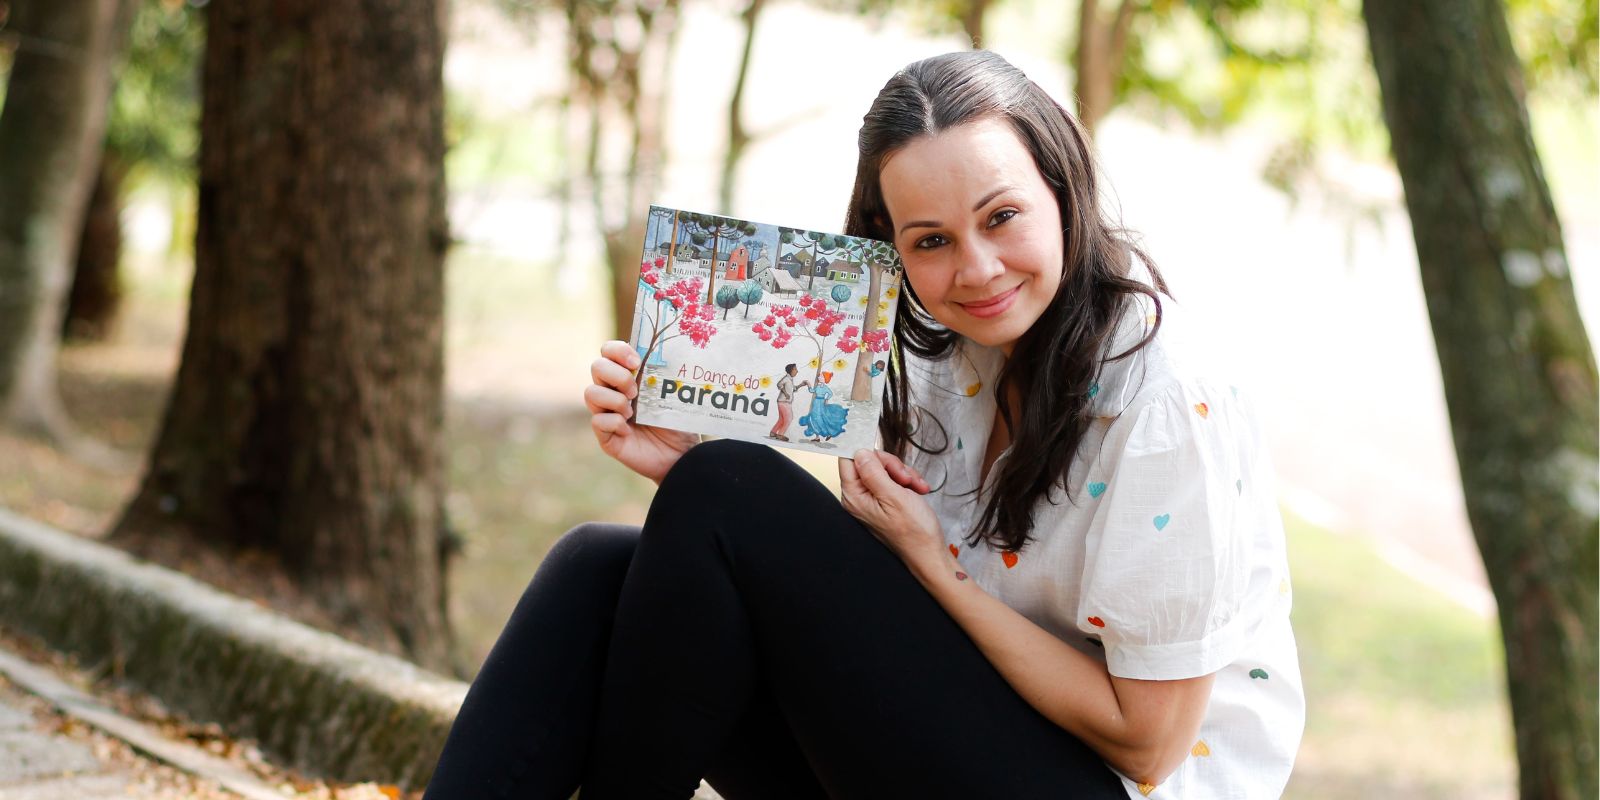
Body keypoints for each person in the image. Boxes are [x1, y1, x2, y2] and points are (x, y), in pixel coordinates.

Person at [423, 50, 1303, 800]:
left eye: (1002, 217)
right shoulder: (946, 358)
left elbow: (1144, 742)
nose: (978, 269)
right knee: (601, 567)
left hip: (1104, 783)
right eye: (932, 241)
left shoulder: (1164, 401)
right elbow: (859, 612)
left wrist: (928, 565)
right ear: (892, 246)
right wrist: (689, 488)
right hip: (967, 744)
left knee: (731, 488)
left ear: (1062, 190)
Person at [797, 372, 849, 442]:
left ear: (825, 379)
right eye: (819, 376)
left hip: (821, 403)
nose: (819, 377)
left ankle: (829, 432)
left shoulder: (825, 388)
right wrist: (809, 385)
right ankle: (817, 437)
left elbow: (830, 393)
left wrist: (826, 399)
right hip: (816, 402)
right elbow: (811, 391)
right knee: (814, 419)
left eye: (821, 376)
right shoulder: (817, 386)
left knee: (822, 419)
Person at [768, 363, 808, 441]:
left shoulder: (789, 379)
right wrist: (785, 393)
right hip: (784, 402)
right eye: (795, 369)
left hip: (783, 402)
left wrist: (801, 385)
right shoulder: (786, 379)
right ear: (791, 370)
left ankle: (773, 432)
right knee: (789, 418)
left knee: (782, 419)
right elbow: (779, 384)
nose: (797, 371)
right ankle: (780, 434)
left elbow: (793, 389)